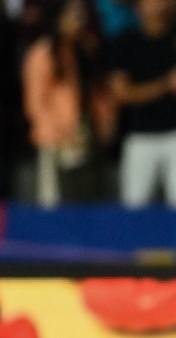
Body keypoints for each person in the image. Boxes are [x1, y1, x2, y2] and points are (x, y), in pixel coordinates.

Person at [22, 0, 114, 207]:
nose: (79, 20)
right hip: (54, 141)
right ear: (58, 18)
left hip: (87, 136)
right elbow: (35, 103)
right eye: (73, 15)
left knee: (87, 200)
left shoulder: (88, 49)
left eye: (82, 15)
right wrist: (61, 135)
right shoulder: (42, 53)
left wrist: (105, 120)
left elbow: (98, 91)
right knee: (53, 201)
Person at [109, 0, 176, 209]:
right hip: (140, 137)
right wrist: (165, 85)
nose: (158, 4)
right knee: (135, 207)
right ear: (138, 6)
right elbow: (122, 93)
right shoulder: (126, 42)